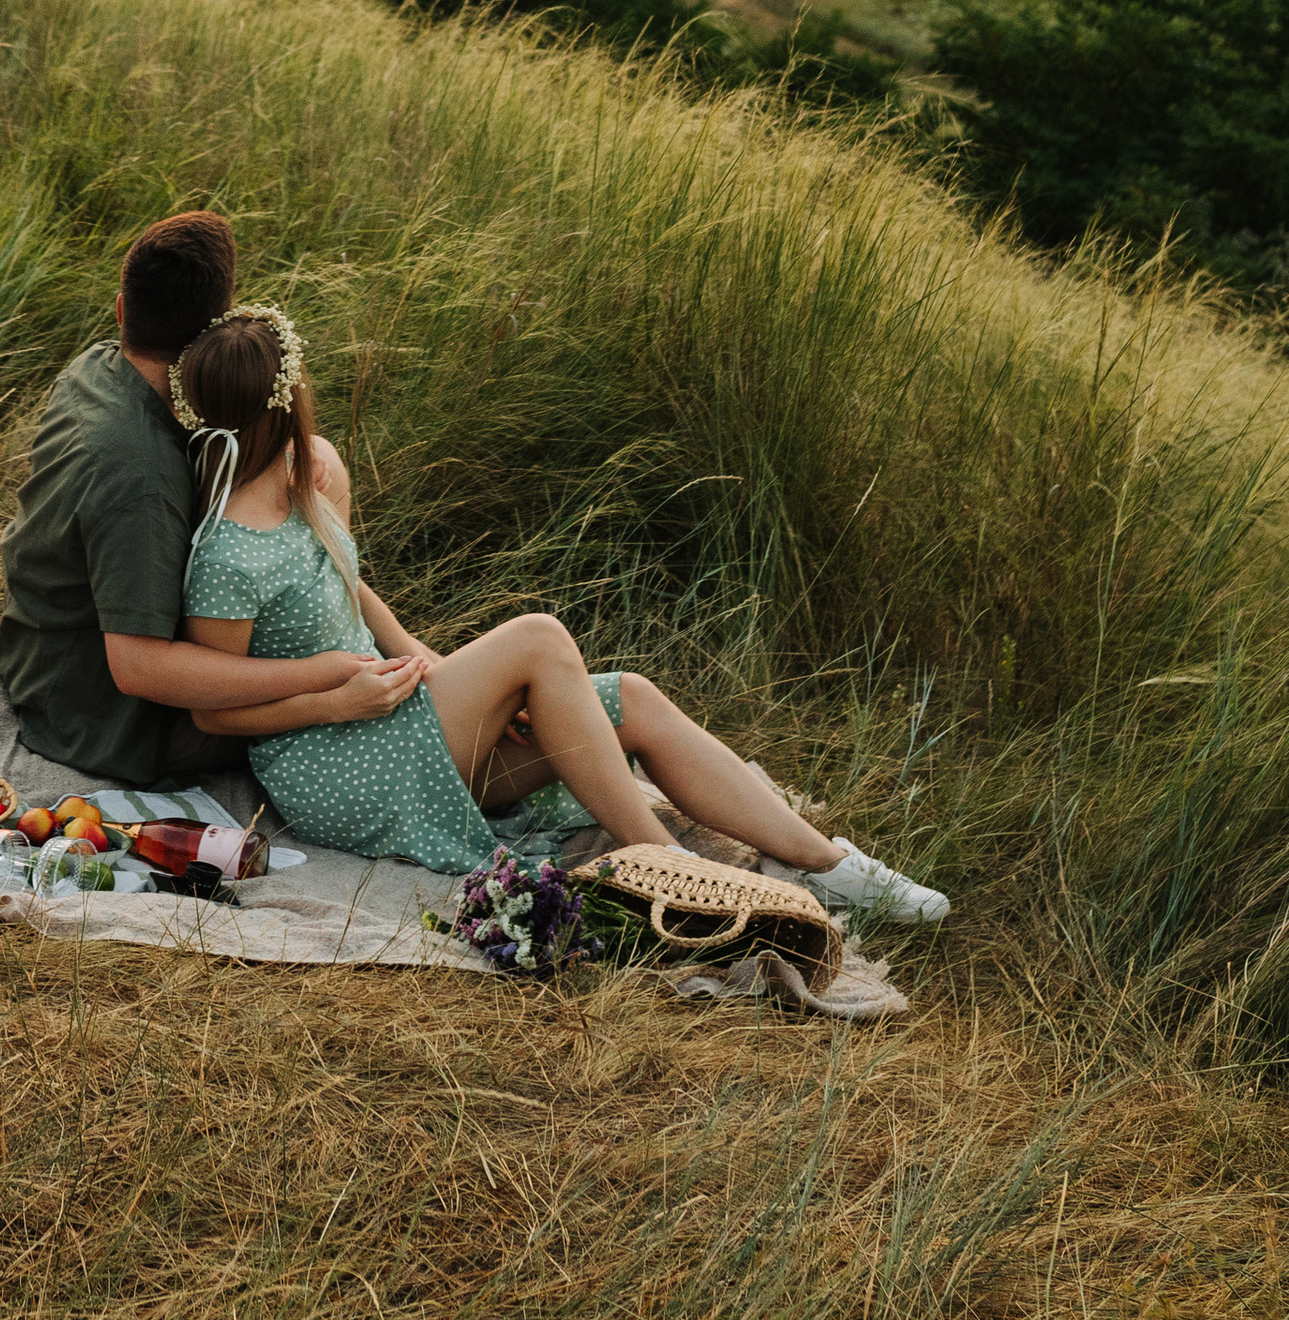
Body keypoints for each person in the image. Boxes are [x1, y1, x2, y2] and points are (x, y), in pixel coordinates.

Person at [174, 302, 949, 921]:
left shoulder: (302, 482)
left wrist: (436, 666)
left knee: (630, 698)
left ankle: (832, 866)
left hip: (392, 715)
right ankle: (670, 870)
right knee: (540, 639)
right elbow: (214, 713)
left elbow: (345, 581)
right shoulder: (227, 554)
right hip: (335, 764)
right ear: (287, 396)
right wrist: (334, 697)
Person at [0, 212, 392, 783]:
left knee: (317, 457)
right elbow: (137, 668)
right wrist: (321, 675)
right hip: (104, 718)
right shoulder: (141, 481)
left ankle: (362, 650)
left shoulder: (99, 365)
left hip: (36, 649)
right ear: (212, 331)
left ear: (122, 309)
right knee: (381, 717)